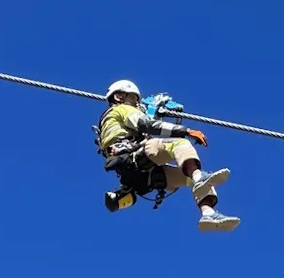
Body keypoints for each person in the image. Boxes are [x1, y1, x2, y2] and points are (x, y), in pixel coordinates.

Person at [96, 79, 240, 232]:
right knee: (180, 144)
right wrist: (186, 131)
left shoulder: (109, 122)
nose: (137, 103)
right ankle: (199, 176)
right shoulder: (122, 109)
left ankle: (208, 213)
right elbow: (147, 125)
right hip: (135, 157)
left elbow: (144, 129)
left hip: (138, 174)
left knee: (189, 178)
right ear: (119, 97)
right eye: (134, 98)